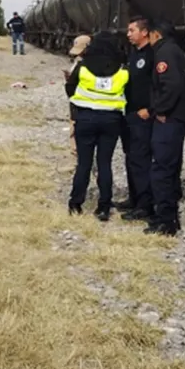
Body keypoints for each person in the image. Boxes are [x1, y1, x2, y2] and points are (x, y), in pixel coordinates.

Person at [65, 31, 129, 219]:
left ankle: (75, 203)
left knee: (83, 163)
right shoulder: (122, 70)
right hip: (111, 121)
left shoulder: (83, 67)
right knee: (104, 164)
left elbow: (70, 88)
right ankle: (104, 206)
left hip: (86, 119)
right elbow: (129, 93)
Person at [145, 20, 185, 236]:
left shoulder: (164, 53)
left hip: (170, 120)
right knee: (172, 166)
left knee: (162, 169)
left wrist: (160, 110)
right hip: (180, 118)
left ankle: (165, 220)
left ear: (156, 34)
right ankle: (170, 215)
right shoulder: (179, 53)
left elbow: (172, 85)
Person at [116, 15, 155, 221]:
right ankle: (133, 197)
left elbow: (159, 86)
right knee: (130, 157)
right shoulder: (133, 55)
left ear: (144, 32)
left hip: (143, 116)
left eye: (132, 30)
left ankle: (145, 205)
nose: (128, 34)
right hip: (128, 114)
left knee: (141, 160)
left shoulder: (152, 55)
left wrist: (150, 108)